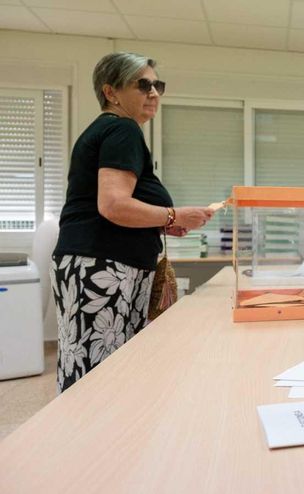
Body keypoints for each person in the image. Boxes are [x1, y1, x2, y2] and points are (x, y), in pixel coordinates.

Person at [52, 52, 214, 393]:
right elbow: (113, 205)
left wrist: (162, 223)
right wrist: (172, 215)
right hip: (104, 266)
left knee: (89, 362)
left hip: (99, 260)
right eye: (143, 85)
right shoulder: (122, 129)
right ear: (111, 92)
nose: (153, 92)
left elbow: (116, 208)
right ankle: (92, 441)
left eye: (158, 85)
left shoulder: (109, 131)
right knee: (101, 373)